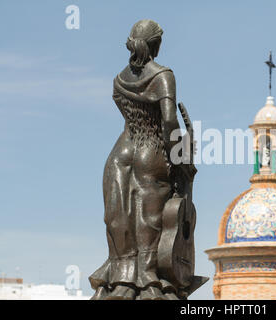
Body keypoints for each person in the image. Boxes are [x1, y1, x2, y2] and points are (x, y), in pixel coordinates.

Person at [89, 20, 182, 300]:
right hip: (150, 148)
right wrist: (180, 156)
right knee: (148, 215)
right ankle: (146, 277)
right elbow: (168, 120)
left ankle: (121, 279)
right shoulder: (163, 76)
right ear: (156, 44)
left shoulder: (119, 79)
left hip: (121, 150)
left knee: (119, 215)